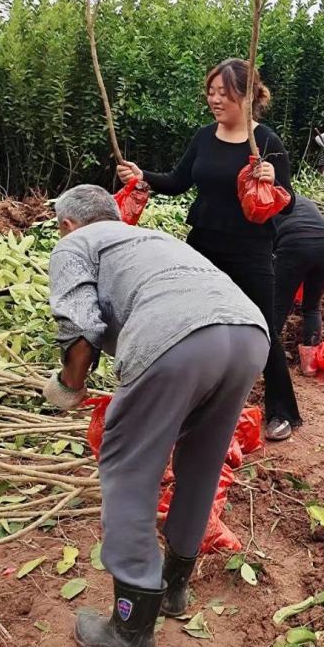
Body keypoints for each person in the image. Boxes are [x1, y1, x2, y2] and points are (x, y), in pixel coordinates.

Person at [44, 184, 269, 647]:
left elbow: (80, 326)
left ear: (67, 224)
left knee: (129, 472)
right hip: (248, 334)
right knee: (201, 462)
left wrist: (70, 385)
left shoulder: (74, 244)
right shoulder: (149, 239)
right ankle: (174, 589)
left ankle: (130, 628)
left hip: (176, 339)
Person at [117, 57, 301, 441]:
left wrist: (270, 177)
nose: (215, 100)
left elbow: (289, 202)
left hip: (250, 248)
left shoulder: (265, 142)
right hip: (203, 244)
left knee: (263, 327)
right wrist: (142, 176)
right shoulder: (204, 137)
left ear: (248, 97)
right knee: (192, 321)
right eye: (211, 92)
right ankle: (193, 402)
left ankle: (281, 410)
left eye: (225, 93)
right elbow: (177, 181)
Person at [273, 195, 324, 374]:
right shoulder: (303, 201)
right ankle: (309, 365)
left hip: (295, 242)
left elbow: (264, 246)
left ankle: (266, 360)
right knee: (312, 306)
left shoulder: (265, 201)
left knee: (279, 306)